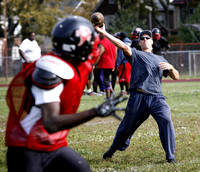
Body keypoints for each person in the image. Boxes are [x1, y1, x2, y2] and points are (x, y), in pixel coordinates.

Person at [5, 16, 127, 172]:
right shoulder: (50, 70)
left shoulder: (75, 60)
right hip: (28, 147)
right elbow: (51, 123)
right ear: (76, 47)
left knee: (82, 168)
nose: (93, 48)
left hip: (53, 144)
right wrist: (95, 112)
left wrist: (100, 30)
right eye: (89, 44)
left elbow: (97, 45)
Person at [95, 23, 179, 164]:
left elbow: (176, 77)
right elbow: (122, 46)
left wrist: (171, 68)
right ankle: (111, 151)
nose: (145, 39)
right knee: (125, 129)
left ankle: (170, 156)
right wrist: (104, 32)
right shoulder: (136, 54)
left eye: (148, 38)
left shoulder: (161, 59)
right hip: (138, 97)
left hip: (157, 98)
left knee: (166, 120)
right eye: (142, 38)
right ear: (139, 42)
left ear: (152, 41)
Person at [93, 30, 117, 99]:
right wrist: (114, 64)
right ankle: (111, 92)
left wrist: (94, 64)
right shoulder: (112, 42)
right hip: (111, 64)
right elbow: (116, 53)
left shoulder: (102, 43)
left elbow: (99, 54)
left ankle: (108, 96)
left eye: (100, 34)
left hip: (104, 64)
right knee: (107, 79)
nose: (99, 35)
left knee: (104, 80)